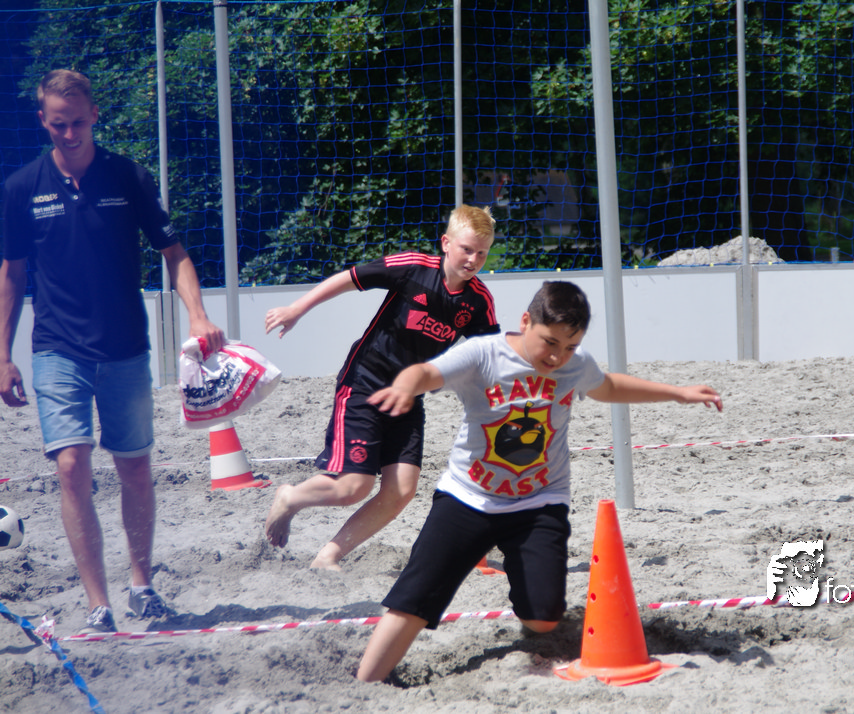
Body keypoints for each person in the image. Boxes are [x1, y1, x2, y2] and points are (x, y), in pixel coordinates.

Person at [354, 280, 722, 682]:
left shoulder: (576, 365)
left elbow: (608, 386)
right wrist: (405, 386)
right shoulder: (483, 354)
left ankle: (530, 606)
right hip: (468, 497)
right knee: (413, 601)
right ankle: (366, 683)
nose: (557, 356)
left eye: (570, 346)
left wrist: (677, 393)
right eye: (550, 342)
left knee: (544, 618)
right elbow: (426, 371)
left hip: (539, 502)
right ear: (526, 321)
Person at [0, 69, 225, 635]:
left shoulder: (128, 175)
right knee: (71, 466)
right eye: (58, 124)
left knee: (135, 468)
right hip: (57, 349)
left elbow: (174, 252)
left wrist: (198, 314)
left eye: (78, 122)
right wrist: (2, 354)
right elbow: (12, 274)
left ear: (95, 115)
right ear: (42, 121)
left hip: (125, 347)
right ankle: (98, 604)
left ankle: (142, 586)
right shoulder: (22, 188)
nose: (69, 133)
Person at [263, 204, 499, 570]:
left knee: (401, 490)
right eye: (467, 249)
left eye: (482, 253)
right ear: (446, 243)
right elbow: (349, 278)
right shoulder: (414, 267)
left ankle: (328, 556)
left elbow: (491, 357)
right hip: (365, 383)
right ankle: (289, 498)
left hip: (407, 398)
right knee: (352, 487)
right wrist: (297, 308)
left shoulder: (478, 301)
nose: (474, 259)